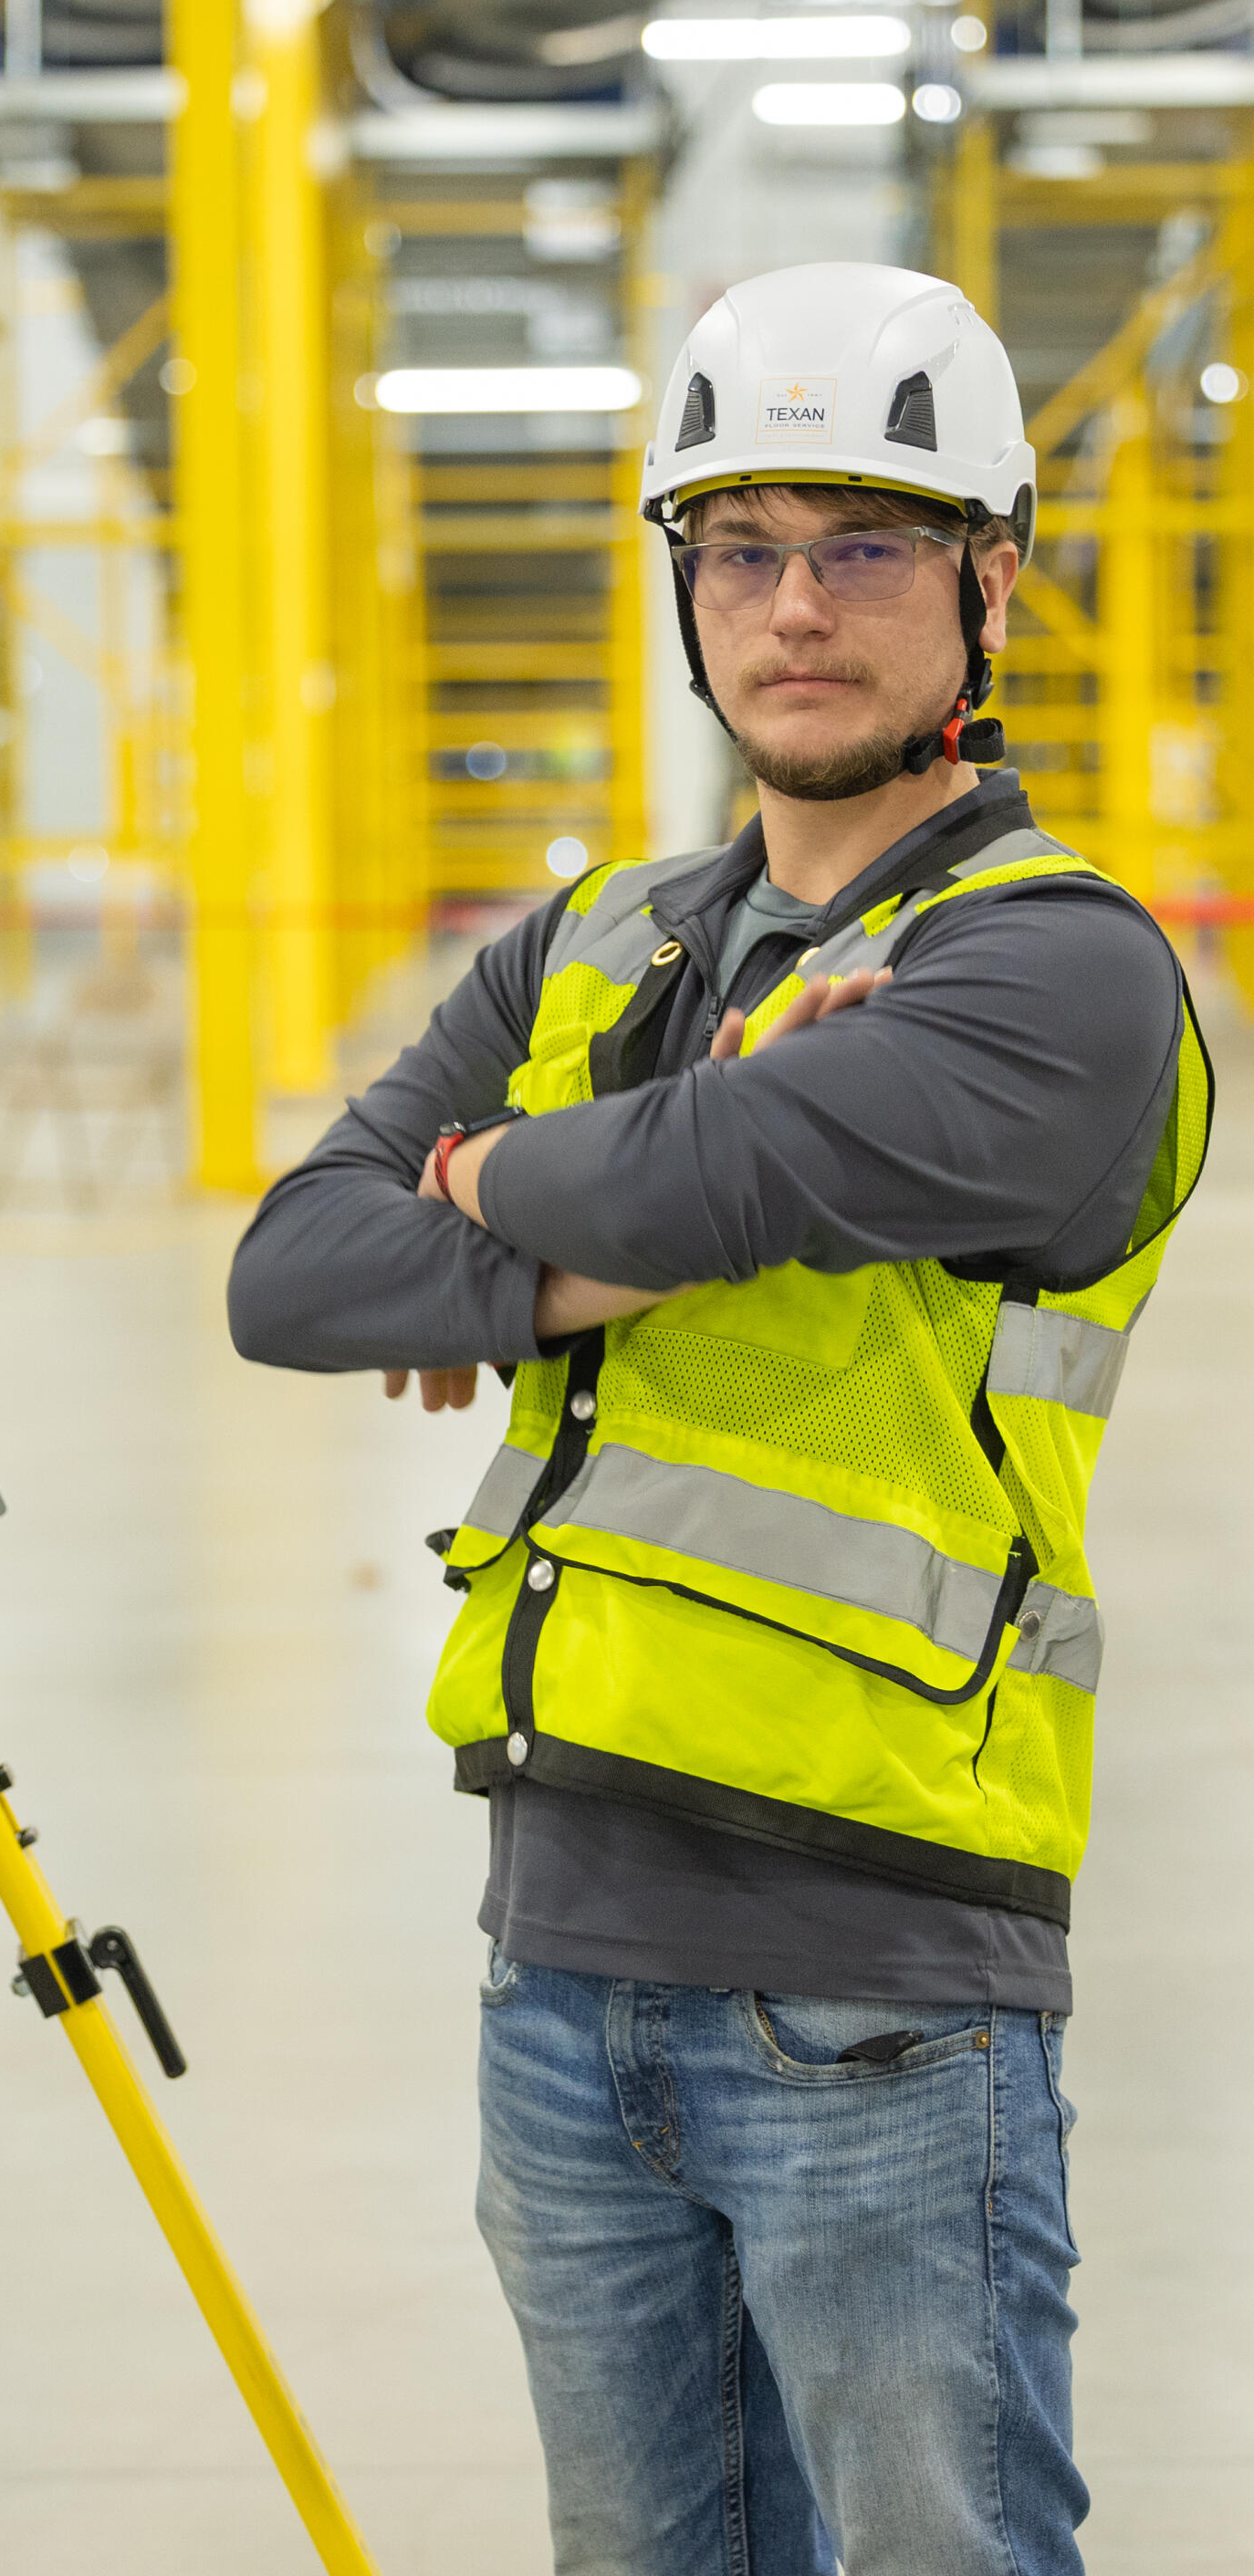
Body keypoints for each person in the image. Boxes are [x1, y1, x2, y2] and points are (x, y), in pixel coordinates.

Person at [226, 262, 1211, 2576]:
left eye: (865, 546)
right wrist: (621, 1203)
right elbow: (295, 1269)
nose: (795, 606)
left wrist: (498, 1200)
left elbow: (732, 1171)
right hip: (560, 1959)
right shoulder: (594, 941)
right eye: (739, 548)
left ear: (991, 581)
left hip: (880, 1981)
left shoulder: (1056, 962)